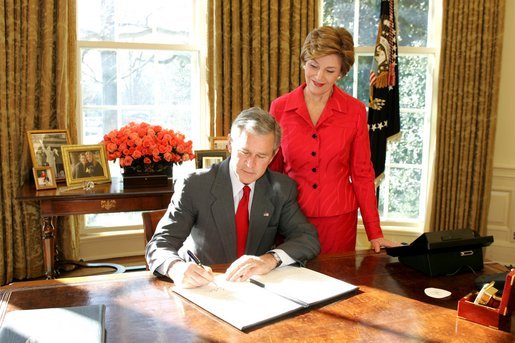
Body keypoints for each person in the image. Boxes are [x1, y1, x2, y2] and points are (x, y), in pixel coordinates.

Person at [146, 107, 320, 288]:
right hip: (204, 286)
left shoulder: (282, 188)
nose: (251, 164)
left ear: (273, 155)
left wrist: (270, 259)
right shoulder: (195, 185)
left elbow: (307, 238)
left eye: (261, 156)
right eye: (244, 152)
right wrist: (176, 268)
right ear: (229, 144)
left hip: (255, 290)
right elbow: (159, 244)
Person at [268, 26, 398, 254]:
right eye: (313, 66)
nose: (318, 77)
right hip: (290, 219)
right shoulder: (279, 108)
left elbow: (362, 174)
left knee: (338, 283)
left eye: (329, 70)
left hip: (339, 222)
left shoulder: (355, 111)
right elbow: (273, 173)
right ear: (304, 62)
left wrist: (374, 232)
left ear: (341, 73)